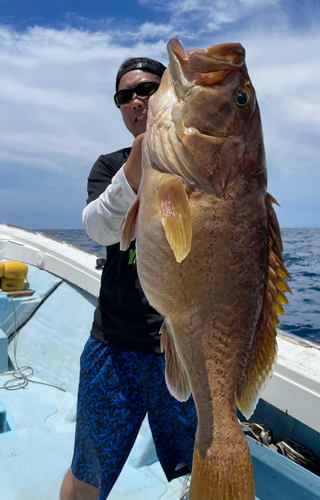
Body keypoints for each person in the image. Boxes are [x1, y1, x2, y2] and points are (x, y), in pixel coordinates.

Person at [60, 57, 197, 500]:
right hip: (114, 348)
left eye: (148, 89)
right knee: (88, 473)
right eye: (126, 95)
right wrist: (135, 171)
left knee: (203, 468)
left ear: (169, 96)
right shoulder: (110, 166)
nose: (137, 100)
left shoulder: (199, 166)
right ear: (119, 107)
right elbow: (97, 228)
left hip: (186, 348)